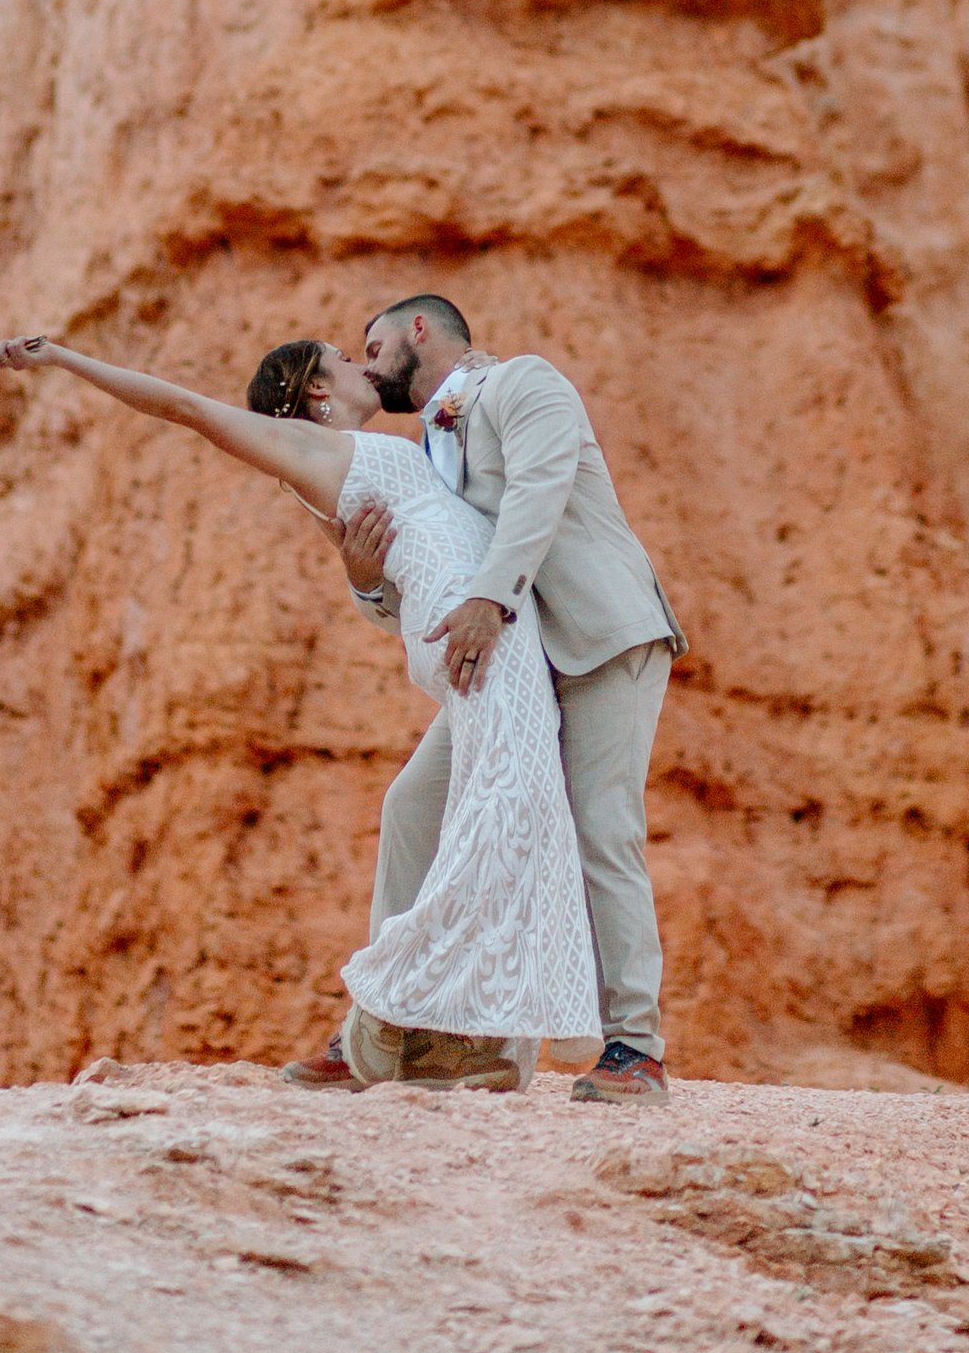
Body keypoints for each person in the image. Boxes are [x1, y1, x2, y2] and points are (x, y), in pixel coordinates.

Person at [0, 327, 599, 1087]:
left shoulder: (361, 458)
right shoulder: (312, 451)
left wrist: (471, 375)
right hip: (473, 638)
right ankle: (389, 1015)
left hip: (471, 628)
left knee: (485, 808)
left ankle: (442, 1036)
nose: (360, 363)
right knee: (505, 811)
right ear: (316, 391)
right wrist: (60, 358)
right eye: (345, 360)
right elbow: (182, 406)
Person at [288, 292, 685, 1107]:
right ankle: (385, 1023)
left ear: (421, 332)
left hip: (605, 638)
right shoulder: (427, 449)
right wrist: (365, 583)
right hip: (517, 665)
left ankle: (635, 1050)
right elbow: (426, 576)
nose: (364, 364)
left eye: (375, 343)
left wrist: (490, 600)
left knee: (600, 829)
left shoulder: (523, 384)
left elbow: (538, 495)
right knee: (411, 809)